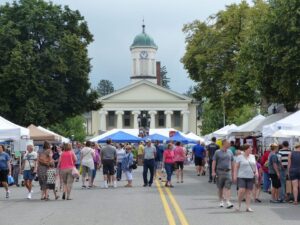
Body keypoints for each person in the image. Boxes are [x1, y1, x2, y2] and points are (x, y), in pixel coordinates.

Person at [234, 144, 258, 212]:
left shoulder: (253, 156)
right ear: (246, 149)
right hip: (241, 176)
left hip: (250, 176)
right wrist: (235, 176)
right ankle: (238, 204)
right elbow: (236, 167)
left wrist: (256, 173)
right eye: (250, 148)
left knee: (249, 192)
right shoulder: (239, 157)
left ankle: (248, 207)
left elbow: (255, 166)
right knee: (241, 191)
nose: (251, 149)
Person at [212, 139, 234, 209]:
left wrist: (233, 172)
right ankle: (221, 201)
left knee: (228, 187)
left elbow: (232, 162)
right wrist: (213, 171)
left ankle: (228, 201)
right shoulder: (217, 152)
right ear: (224, 144)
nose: (229, 144)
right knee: (220, 187)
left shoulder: (230, 152)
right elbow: (214, 162)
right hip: (220, 171)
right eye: (228, 143)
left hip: (228, 171)